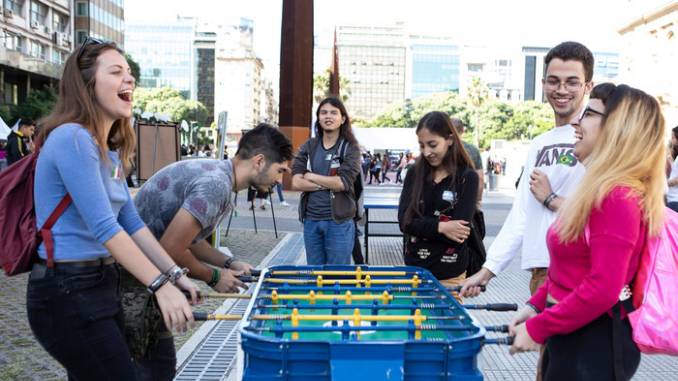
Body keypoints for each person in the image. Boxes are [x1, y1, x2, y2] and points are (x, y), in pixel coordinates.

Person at [27, 37, 198, 380]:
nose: (130, 79)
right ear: (87, 84)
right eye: (117, 71)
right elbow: (106, 228)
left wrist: (175, 275)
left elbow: (130, 220)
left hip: (101, 284)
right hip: (66, 289)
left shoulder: (106, 149)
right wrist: (159, 285)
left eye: (130, 73)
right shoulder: (72, 138)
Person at [509, 83, 666, 381]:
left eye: (589, 114)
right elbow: (573, 271)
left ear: (618, 129)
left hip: (592, 344)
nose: (577, 123)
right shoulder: (601, 190)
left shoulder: (618, 196)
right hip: (573, 335)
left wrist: (538, 328)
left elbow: (603, 288)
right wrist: (536, 305)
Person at [461, 41, 593, 380]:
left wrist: (551, 200)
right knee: (547, 369)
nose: (561, 90)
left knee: (572, 369)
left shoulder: (601, 138)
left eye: (572, 81)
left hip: (581, 272)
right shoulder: (540, 143)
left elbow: (606, 207)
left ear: (588, 86)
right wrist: (487, 271)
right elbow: (521, 215)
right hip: (542, 274)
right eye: (553, 80)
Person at [127, 123, 292, 379]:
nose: (280, 180)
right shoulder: (216, 185)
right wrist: (212, 277)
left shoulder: (220, 176)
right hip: (130, 280)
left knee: (161, 365)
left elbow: (190, 240)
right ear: (259, 161)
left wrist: (230, 263)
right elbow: (171, 246)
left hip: (148, 276)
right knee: (142, 368)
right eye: (280, 170)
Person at [398, 111, 479, 294]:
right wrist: (442, 227)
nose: (427, 152)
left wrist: (421, 226)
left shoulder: (467, 177)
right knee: (416, 322)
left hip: (450, 274)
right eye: (422, 145)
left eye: (432, 144)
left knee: (447, 322)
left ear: (450, 139)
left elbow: (460, 231)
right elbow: (405, 222)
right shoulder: (413, 174)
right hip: (414, 270)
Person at [292, 97, 361, 265]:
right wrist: (327, 183)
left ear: (343, 119)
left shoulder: (350, 147)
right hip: (311, 221)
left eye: (333, 113)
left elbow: (342, 183)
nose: (328, 117)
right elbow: (296, 182)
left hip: (339, 222)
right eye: (323, 113)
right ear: (318, 117)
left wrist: (311, 176)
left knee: (337, 277)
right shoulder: (309, 146)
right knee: (316, 276)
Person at [450, 118, 484, 205]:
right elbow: (480, 178)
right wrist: (478, 200)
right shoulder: (473, 150)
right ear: (462, 131)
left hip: (446, 196)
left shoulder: (443, 149)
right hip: (468, 195)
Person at [667, 126, 678, 212]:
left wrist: (666, 184)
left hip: (675, 201)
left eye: (673, 137)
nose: (672, 140)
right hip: (672, 199)